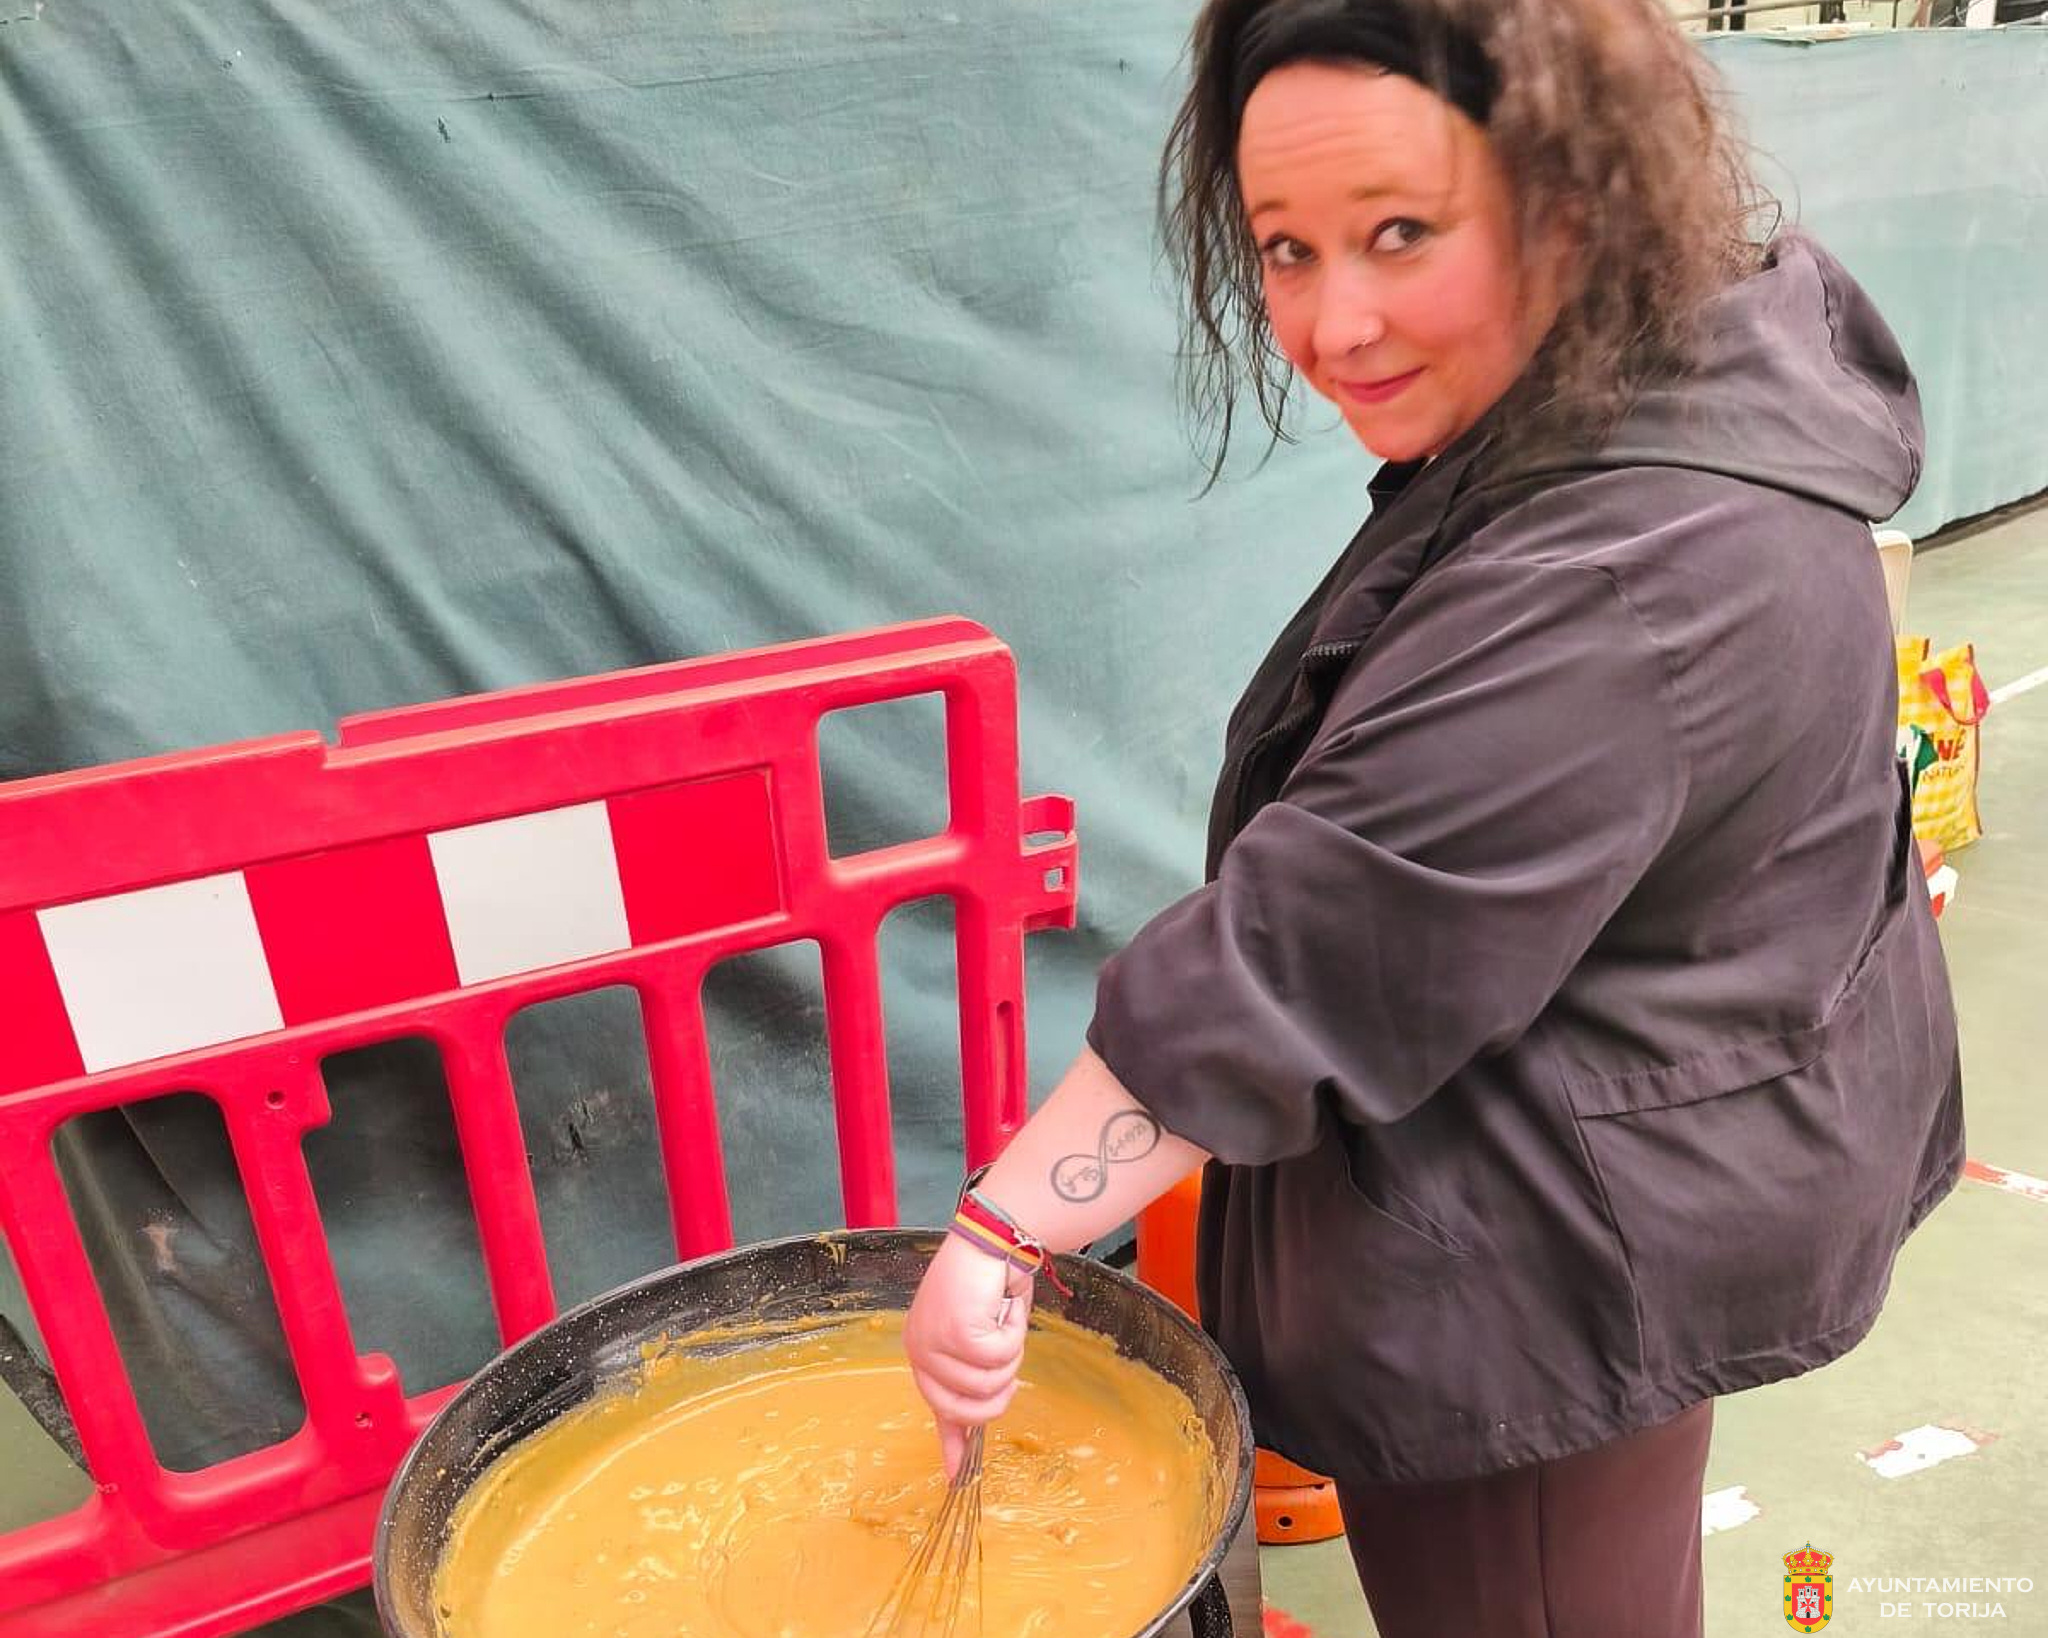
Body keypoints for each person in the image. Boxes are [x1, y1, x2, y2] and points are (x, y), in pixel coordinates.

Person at [900, 2, 1964, 1634]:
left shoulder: (1627, 573)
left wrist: (999, 1232)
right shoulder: (1682, 382)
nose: (1335, 324)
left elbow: (1305, 952)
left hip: (1528, 1300)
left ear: (1576, 188)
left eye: (1401, 233)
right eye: (1287, 250)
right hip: (1616, 1174)